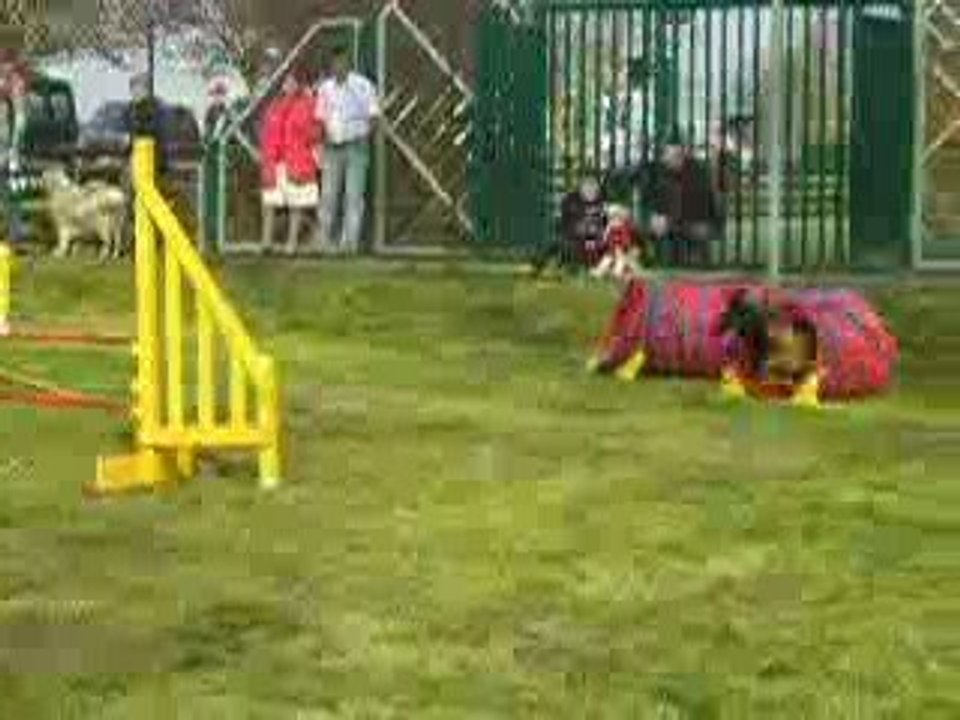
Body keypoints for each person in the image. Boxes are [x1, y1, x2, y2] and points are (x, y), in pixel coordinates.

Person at [314, 45, 379, 254]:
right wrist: (322, 143)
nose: (338, 66)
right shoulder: (325, 89)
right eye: (334, 63)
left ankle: (348, 244)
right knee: (328, 194)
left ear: (348, 63)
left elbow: (373, 115)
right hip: (332, 147)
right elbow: (320, 118)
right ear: (331, 65)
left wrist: (364, 136)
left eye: (342, 62)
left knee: (353, 195)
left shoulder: (362, 86)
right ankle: (323, 241)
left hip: (356, 145)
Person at [259, 68, 321, 255]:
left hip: (297, 160)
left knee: (296, 204)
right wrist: (266, 159)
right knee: (270, 202)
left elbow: (317, 132)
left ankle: (291, 245)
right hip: (275, 162)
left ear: (300, 84)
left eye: (293, 82)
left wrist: (307, 134)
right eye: (286, 82)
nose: (289, 85)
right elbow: (267, 133)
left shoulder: (309, 103)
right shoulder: (274, 106)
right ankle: (266, 242)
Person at [642, 132, 725, 268]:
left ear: (684, 154)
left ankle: (693, 259)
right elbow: (650, 198)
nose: (673, 160)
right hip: (675, 220)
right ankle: (665, 259)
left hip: (696, 220)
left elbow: (699, 206)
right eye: (670, 156)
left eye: (678, 155)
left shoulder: (696, 171)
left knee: (696, 232)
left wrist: (667, 219)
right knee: (658, 227)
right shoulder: (658, 171)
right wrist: (655, 215)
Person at [530, 170, 607, 276]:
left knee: (591, 244)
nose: (590, 188)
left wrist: (593, 231)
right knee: (558, 242)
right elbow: (565, 224)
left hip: (592, 242)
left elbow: (603, 226)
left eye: (592, 184)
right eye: (587, 184)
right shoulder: (570, 199)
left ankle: (576, 266)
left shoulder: (601, 201)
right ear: (581, 185)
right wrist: (578, 230)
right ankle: (540, 264)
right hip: (574, 239)